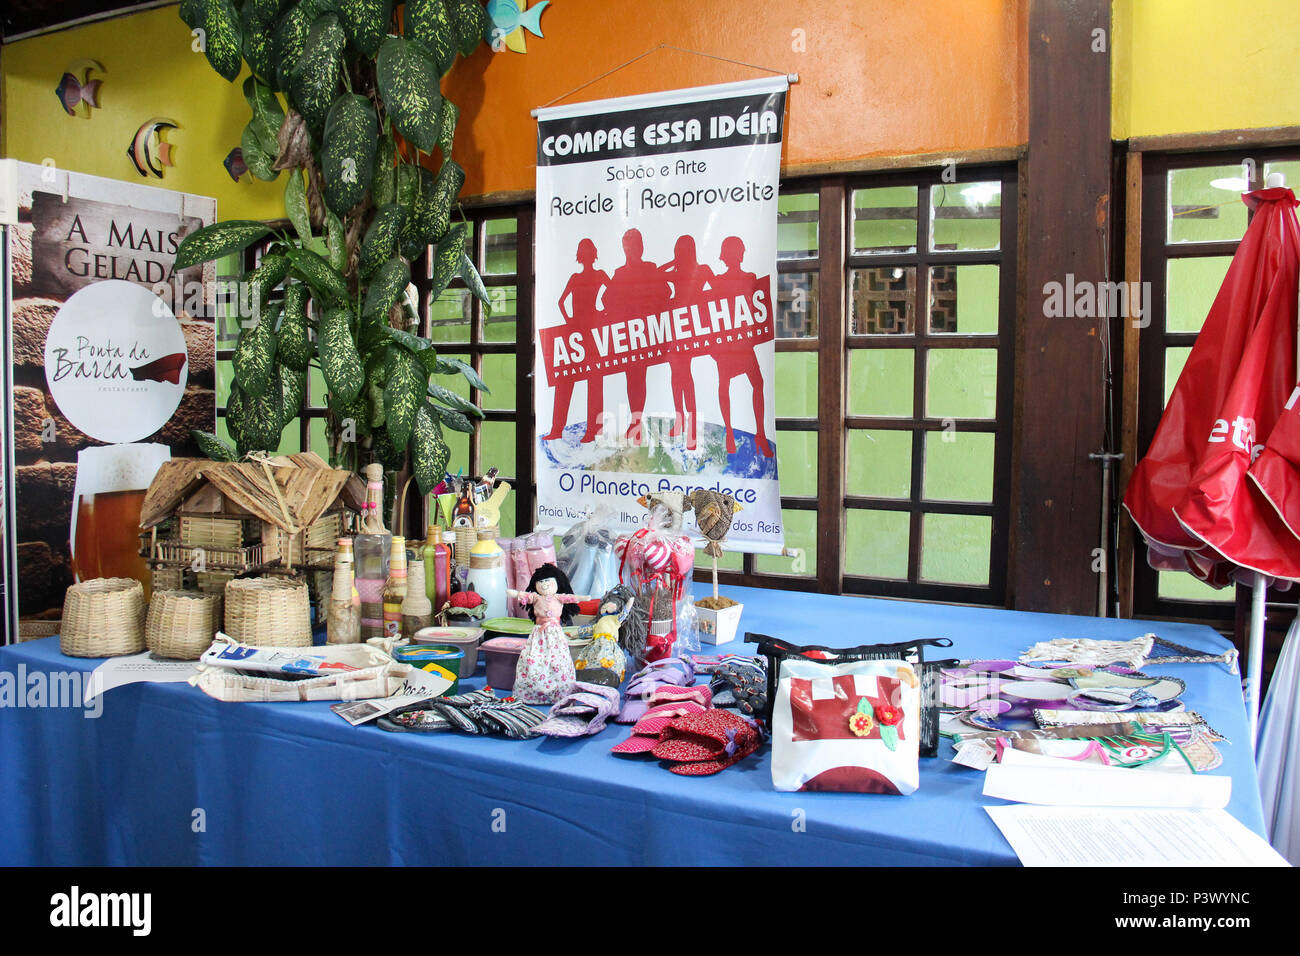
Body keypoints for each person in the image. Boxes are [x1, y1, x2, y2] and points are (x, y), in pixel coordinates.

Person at [602, 228, 671, 445]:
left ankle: (647, 423)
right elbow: (607, 300)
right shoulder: (620, 273)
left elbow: (666, 294)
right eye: (628, 247)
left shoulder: (651, 269)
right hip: (630, 334)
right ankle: (636, 422)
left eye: (635, 246)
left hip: (650, 331)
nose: (631, 251)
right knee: (634, 378)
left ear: (641, 248)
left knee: (655, 377)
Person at [710, 236, 773, 457]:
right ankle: (729, 433)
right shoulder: (718, 281)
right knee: (725, 385)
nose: (740, 255)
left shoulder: (750, 277)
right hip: (728, 345)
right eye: (737, 251)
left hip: (742, 343)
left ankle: (760, 433)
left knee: (756, 383)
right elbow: (709, 313)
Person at [544, 238, 609, 442]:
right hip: (577, 332)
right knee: (568, 380)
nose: (586, 255)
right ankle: (558, 429)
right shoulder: (578, 277)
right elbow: (561, 302)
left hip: (586, 331)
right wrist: (572, 320)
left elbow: (612, 292)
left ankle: (592, 430)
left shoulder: (597, 275)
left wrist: (601, 313)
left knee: (593, 380)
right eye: (585, 251)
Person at [659, 235, 714, 450]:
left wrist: (674, 262)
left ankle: (688, 425)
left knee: (683, 375)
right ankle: (681, 420)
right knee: (678, 374)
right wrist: (676, 262)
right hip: (678, 327)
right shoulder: (693, 270)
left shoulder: (700, 270)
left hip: (690, 327)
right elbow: (657, 275)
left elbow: (719, 289)